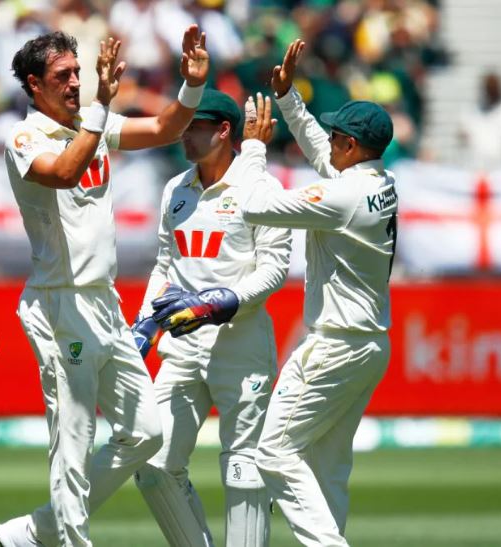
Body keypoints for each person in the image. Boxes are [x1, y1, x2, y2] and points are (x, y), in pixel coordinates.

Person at [0, 25, 209, 547]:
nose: (74, 83)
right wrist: (101, 107)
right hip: (59, 304)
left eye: (76, 73)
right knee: (74, 437)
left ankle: (38, 530)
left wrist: (192, 84)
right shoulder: (24, 137)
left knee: (146, 433)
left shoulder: (91, 122)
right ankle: (69, 540)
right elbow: (65, 173)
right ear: (34, 84)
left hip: (105, 305)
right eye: (61, 76)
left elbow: (165, 127)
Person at [233, 39, 397, 547]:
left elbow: (255, 205)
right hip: (367, 345)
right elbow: (323, 156)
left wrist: (255, 146)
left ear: (351, 143)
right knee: (327, 469)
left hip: (335, 344)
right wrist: (287, 100)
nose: (329, 140)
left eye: (335, 134)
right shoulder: (377, 181)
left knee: (275, 453)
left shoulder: (344, 195)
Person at [133, 89, 292, 547]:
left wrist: (220, 302)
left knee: (243, 468)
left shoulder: (261, 188)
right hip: (181, 344)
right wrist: (146, 320)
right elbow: (166, 265)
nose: (184, 134)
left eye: (195, 126)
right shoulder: (175, 188)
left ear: (224, 131)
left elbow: (274, 269)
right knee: (154, 463)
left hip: (240, 345)